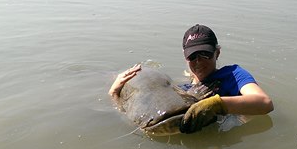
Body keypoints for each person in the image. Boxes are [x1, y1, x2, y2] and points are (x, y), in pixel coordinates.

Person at [109, 24, 273, 133]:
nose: (199, 61)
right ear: (185, 57)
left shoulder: (232, 75)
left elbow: (265, 104)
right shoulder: (184, 89)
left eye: (205, 54)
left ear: (217, 52)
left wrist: (216, 105)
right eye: (193, 56)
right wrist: (114, 92)